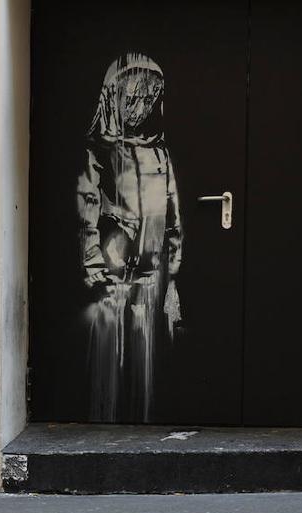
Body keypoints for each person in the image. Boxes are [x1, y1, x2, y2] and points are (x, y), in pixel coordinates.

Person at [76, 52, 183, 423]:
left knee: (149, 355)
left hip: (152, 275)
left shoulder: (159, 152)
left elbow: (172, 216)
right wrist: (92, 262)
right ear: (112, 96)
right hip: (112, 275)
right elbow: (87, 207)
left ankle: (146, 415)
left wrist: (173, 270)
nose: (140, 107)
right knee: (110, 354)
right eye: (132, 97)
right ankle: (106, 417)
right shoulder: (100, 152)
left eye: (149, 98)